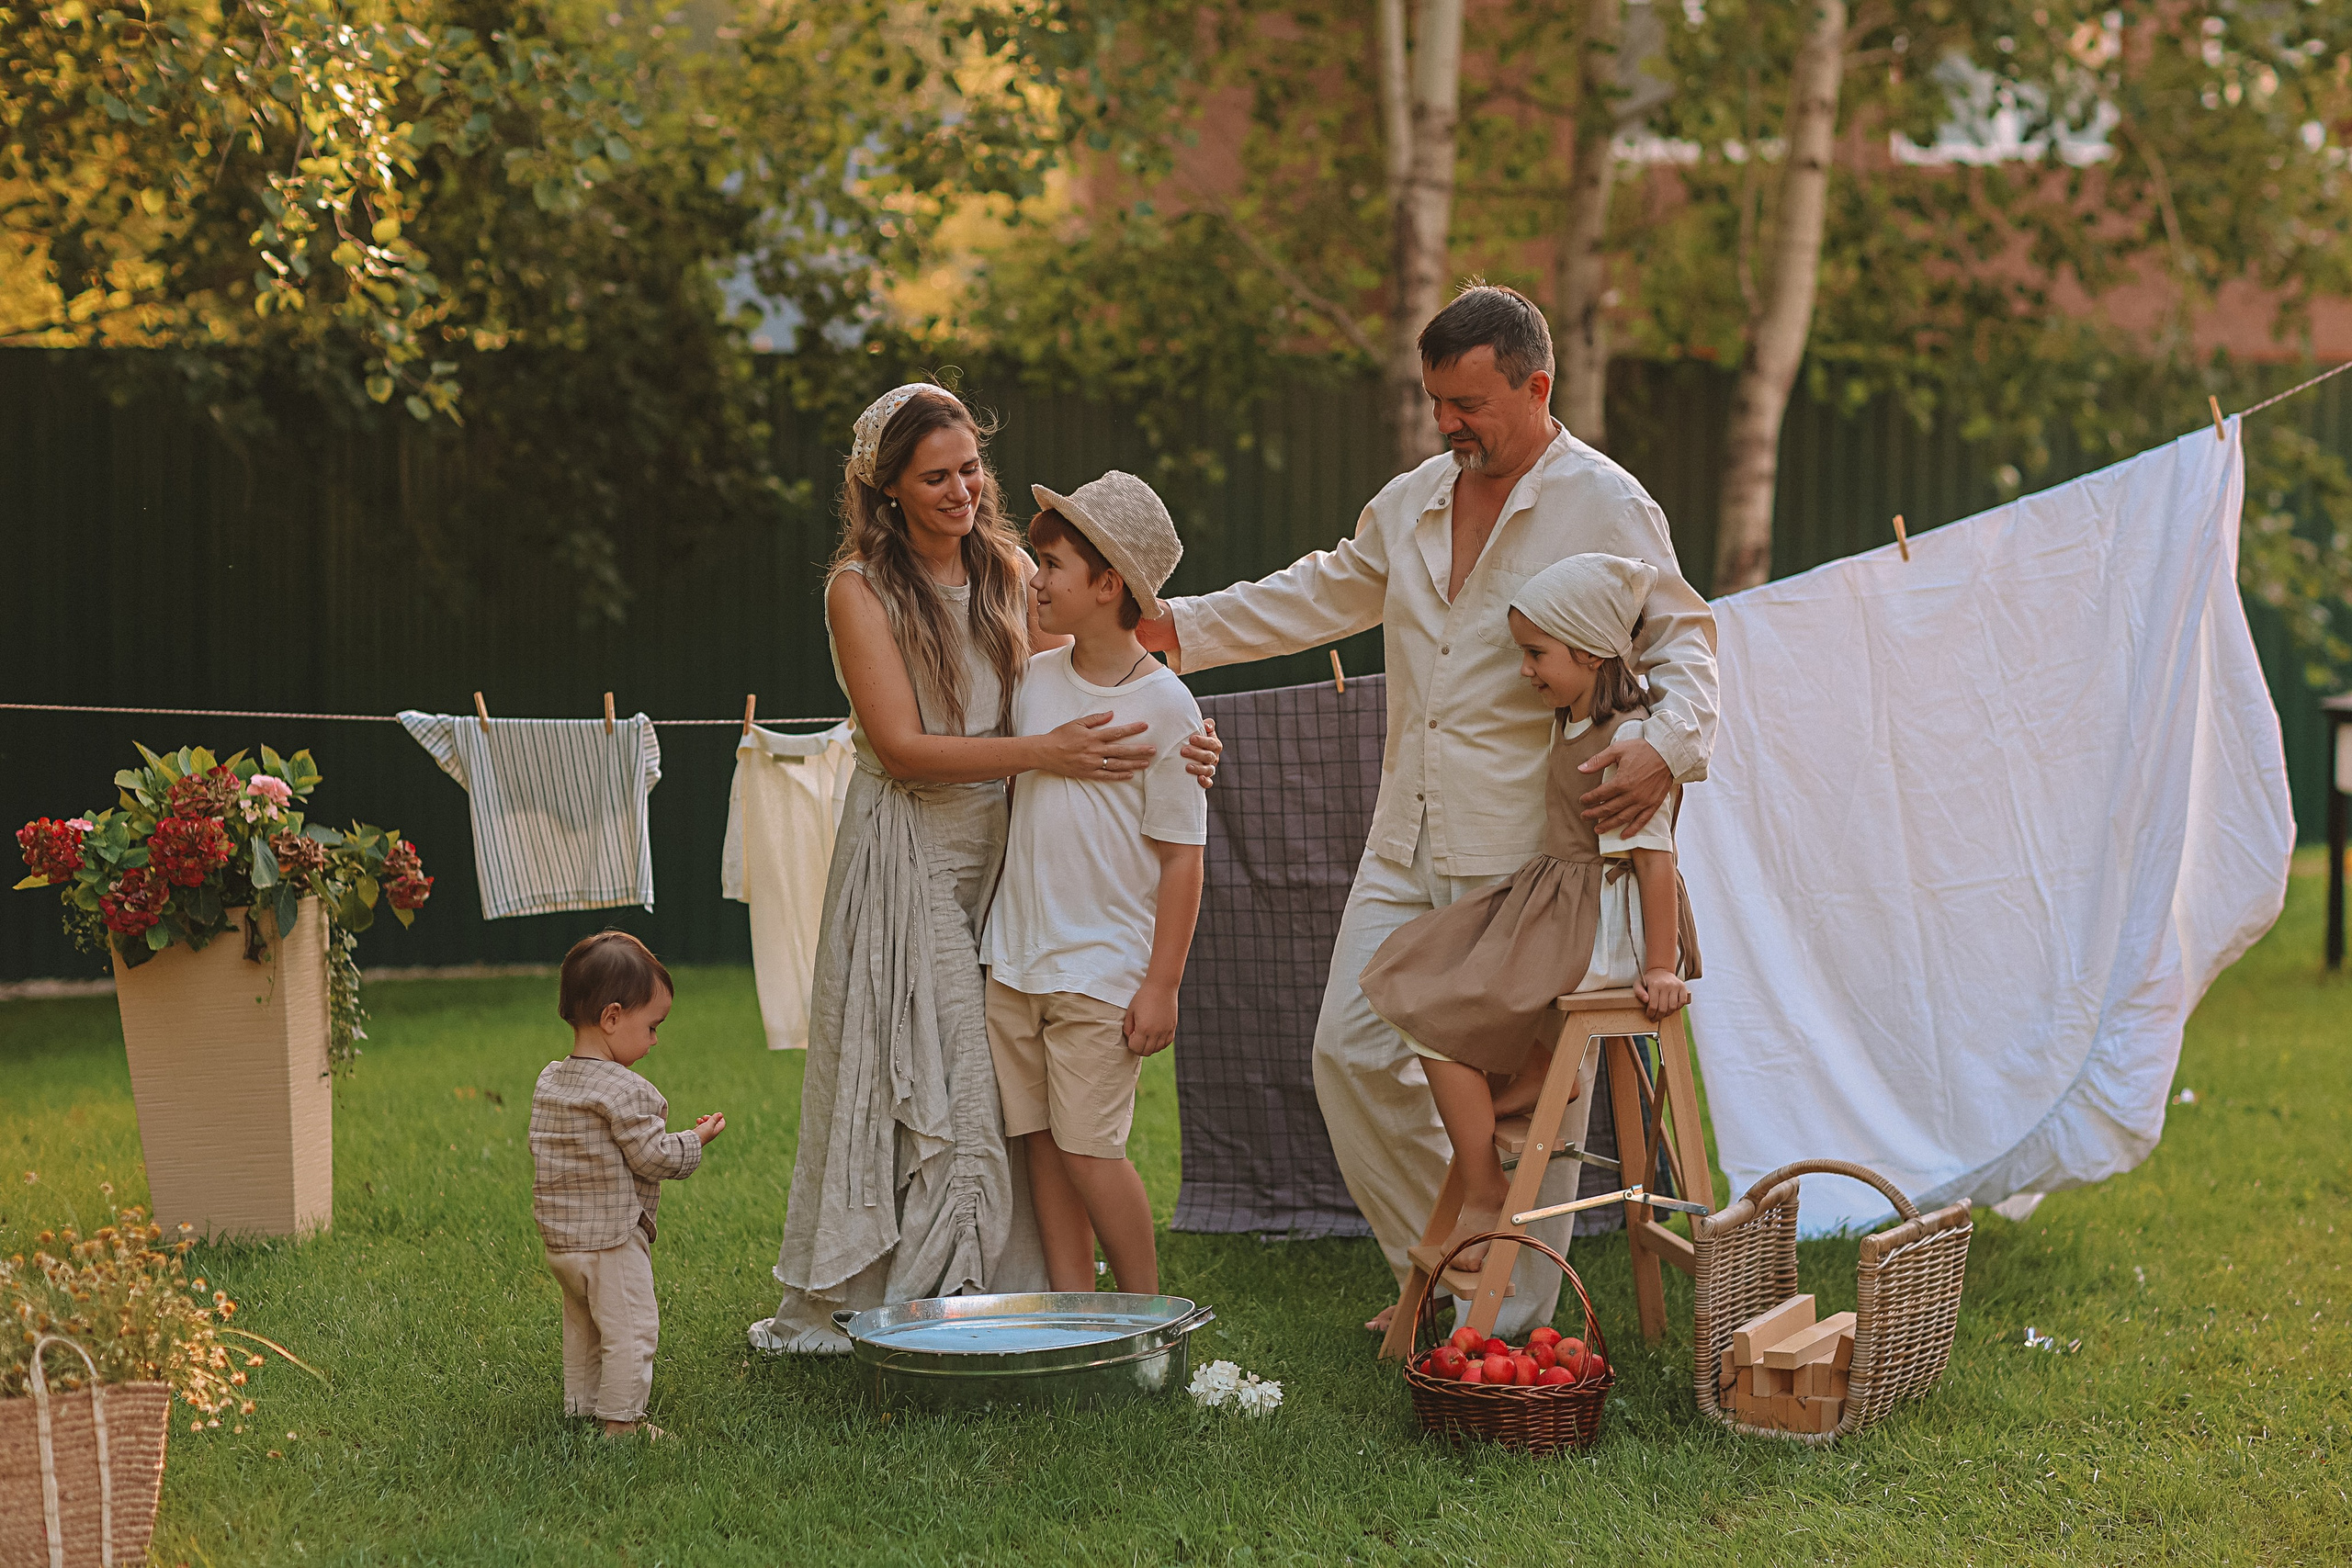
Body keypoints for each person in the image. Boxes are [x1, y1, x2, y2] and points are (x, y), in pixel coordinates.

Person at [1134, 285, 1719, 1336]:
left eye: (1468, 403)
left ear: (1536, 388)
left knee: (1529, 1105)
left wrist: (1663, 749)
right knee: (1350, 1056)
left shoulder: (1609, 504)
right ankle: (1457, 1269)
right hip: (1402, 829)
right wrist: (1173, 625)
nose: (1446, 423)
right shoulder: (1412, 501)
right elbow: (1322, 590)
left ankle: (1508, 1322)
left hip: (1528, 851)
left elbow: (1685, 644)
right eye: (1434, 401)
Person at [750, 385, 1222, 1353]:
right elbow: (904, 747)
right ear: (885, 489)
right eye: (936, 477)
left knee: (1007, 1101)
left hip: (1011, 863)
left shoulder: (1014, 571)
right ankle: (921, 1294)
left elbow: (1097, 674)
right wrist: (1047, 758)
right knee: (935, 1072)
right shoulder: (860, 589)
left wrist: (1187, 736)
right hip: (912, 853)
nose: (962, 489)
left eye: (971, 468)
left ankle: (1042, 1298)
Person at [1359, 554, 1701, 1289]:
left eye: (1536, 653)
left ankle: (1485, 1184)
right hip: (1562, 898)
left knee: (1428, 1009)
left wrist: (1662, 965)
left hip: (1603, 923)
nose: (1524, 670)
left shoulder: (1628, 745)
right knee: (1413, 969)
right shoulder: (1574, 719)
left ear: (1588, 651)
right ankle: (1538, 1075)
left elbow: (1653, 861)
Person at [982, 474, 1207, 1295]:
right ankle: (1075, 1312)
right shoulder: (1034, 681)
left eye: (1052, 564)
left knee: (1089, 1148)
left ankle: (1146, 1313)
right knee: (1042, 1141)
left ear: (1108, 583)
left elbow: (1184, 856)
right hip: (1016, 960)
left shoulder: (1169, 708)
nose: (1035, 579)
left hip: (1102, 974)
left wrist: (1162, 985)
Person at [530, 931, 723, 1439]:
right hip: (611, 1240)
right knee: (632, 1330)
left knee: (585, 1327)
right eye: (653, 1026)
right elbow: (652, 1157)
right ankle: (621, 1423)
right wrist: (696, 1139)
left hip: (561, 1241)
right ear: (612, 1018)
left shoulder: (551, 1081)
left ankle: (583, 1404)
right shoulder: (626, 1088)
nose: (656, 1039)